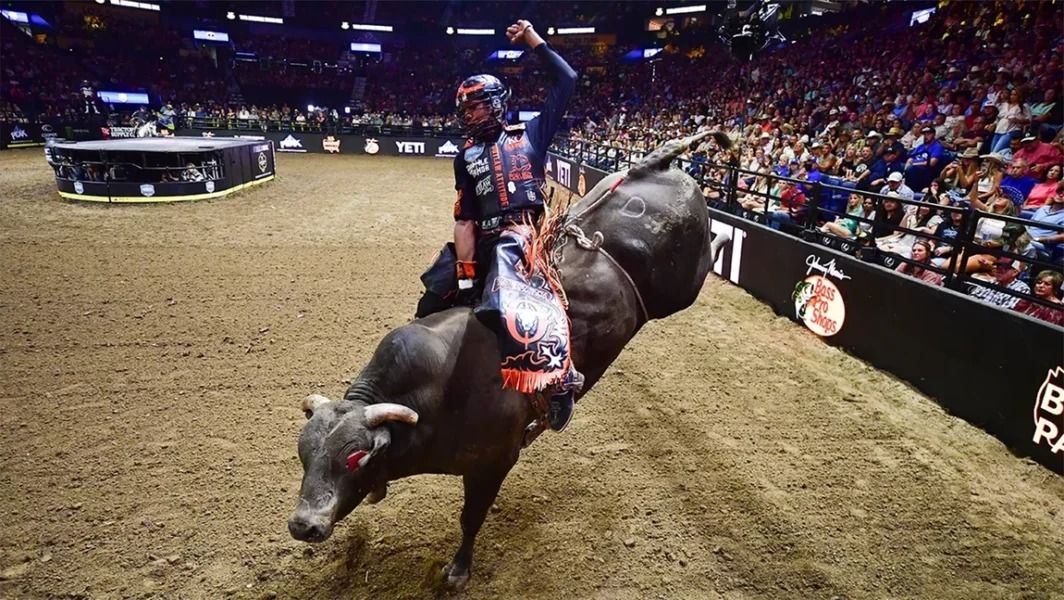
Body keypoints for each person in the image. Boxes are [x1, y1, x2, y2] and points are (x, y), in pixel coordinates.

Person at [415, 20, 581, 432]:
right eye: (464, 109)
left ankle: (561, 381)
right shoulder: (465, 156)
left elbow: (567, 79)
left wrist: (533, 41)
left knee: (503, 292)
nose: (468, 115)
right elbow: (465, 219)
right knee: (431, 301)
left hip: (524, 238)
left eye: (475, 106)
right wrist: (465, 274)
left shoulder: (532, 135)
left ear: (496, 102)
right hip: (483, 241)